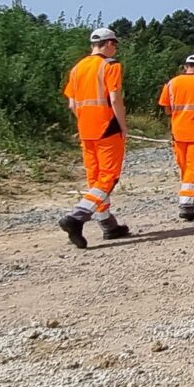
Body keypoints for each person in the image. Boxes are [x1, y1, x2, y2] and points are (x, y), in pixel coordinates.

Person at [57, 28, 133, 247]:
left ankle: (107, 223)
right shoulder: (110, 65)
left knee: (96, 177)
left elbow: (72, 104)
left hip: (86, 129)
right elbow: (115, 98)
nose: (115, 49)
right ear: (108, 44)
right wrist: (122, 126)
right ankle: (77, 217)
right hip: (107, 127)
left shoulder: (77, 68)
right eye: (115, 44)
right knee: (108, 177)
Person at [157, 53, 194, 220]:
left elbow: (167, 109)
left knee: (185, 167)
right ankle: (187, 204)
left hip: (178, 132)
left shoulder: (172, 83)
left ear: (185, 67)